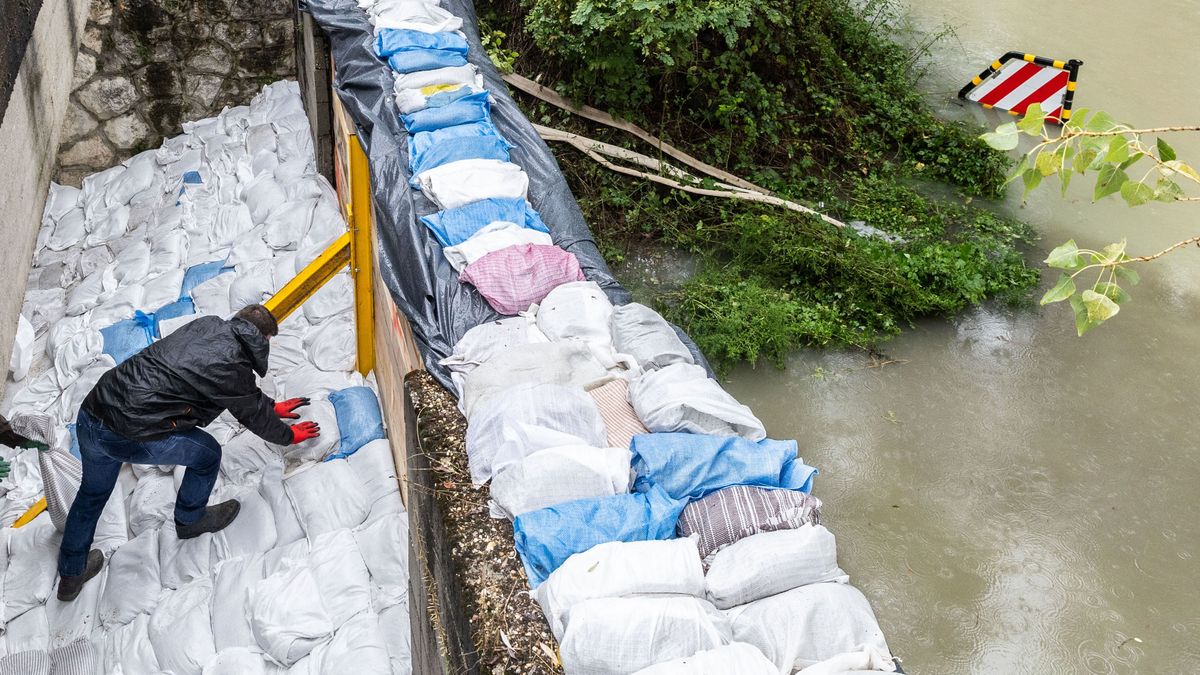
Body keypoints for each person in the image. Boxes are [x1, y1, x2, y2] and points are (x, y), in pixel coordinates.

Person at [56, 304, 321, 601]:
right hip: (128, 431)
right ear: (263, 339)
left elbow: (242, 393)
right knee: (207, 454)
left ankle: (71, 574)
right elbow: (249, 411)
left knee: (92, 494)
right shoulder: (233, 363)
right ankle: (189, 519)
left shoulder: (208, 324)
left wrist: (271, 406)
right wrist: (287, 435)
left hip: (94, 411)